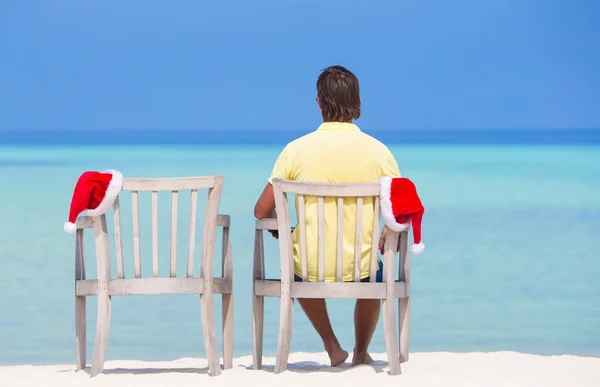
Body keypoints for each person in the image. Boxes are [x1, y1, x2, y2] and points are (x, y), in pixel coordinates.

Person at [254, 65, 401, 367]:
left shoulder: (295, 150)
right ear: (357, 103)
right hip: (361, 266)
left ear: (319, 102)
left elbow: (261, 210)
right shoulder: (378, 151)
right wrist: (387, 233)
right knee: (376, 272)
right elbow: (399, 209)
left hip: (308, 266)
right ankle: (361, 352)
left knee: (298, 262)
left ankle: (332, 346)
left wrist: (284, 232)